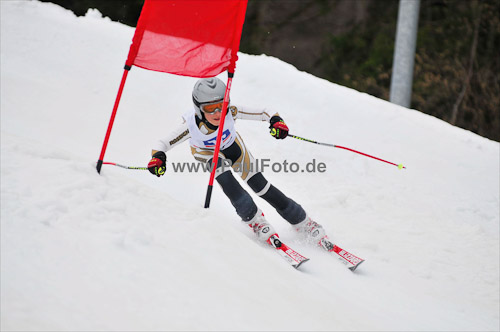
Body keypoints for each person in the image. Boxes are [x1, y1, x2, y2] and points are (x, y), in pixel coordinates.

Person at [147, 77, 327, 246]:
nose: (218, 113)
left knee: (261, 186)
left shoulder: (230, 112)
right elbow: (163, 143)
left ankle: (302, 221)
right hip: (208, 153)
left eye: (221, 105)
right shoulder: (191, 125)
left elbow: (264, 111)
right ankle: (255, 220)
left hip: (234, 148)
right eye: (210, 109)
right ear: (198, 109)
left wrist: (276, 121)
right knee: (227, 181)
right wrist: (158, 158)